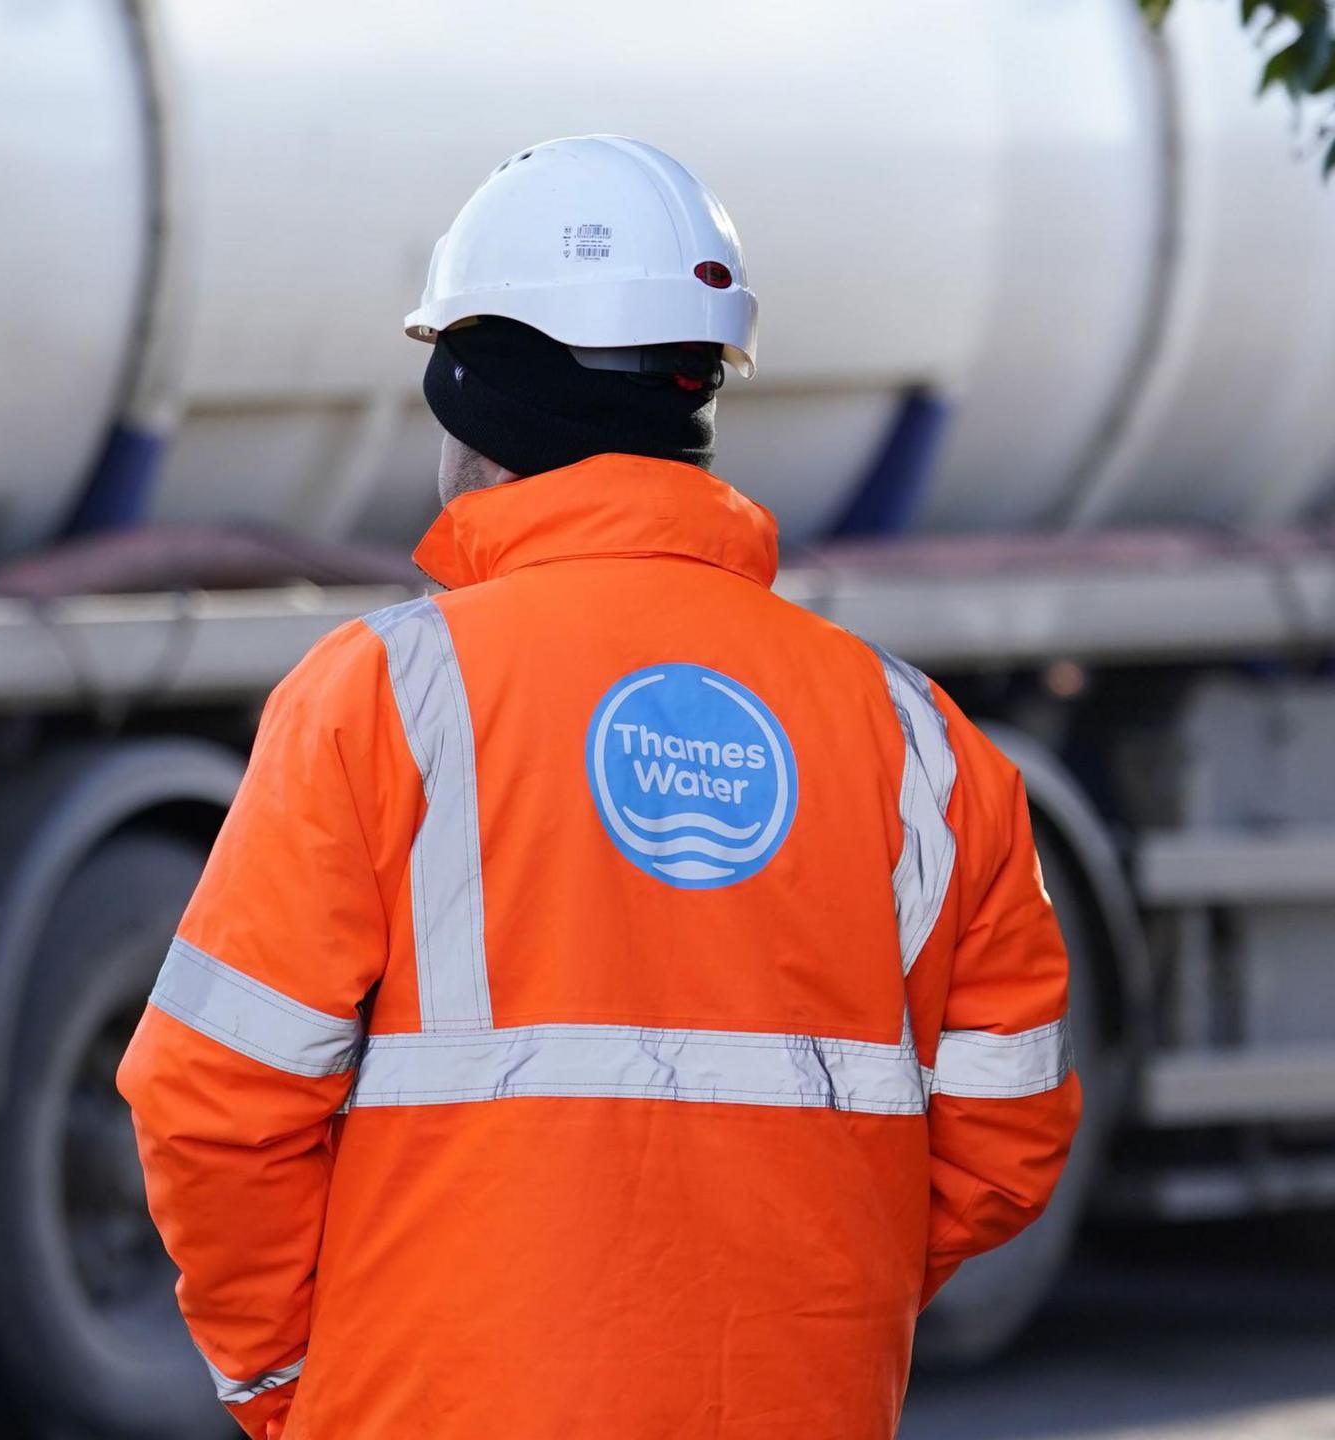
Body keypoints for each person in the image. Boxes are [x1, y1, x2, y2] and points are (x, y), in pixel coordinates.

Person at [116, 135, 1080, 1440]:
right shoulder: (916, 741)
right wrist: (808, 1293)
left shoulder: (380, 699)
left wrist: (284, 1375)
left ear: (478, 397)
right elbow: (1007, 1130)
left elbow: (211, 1098)